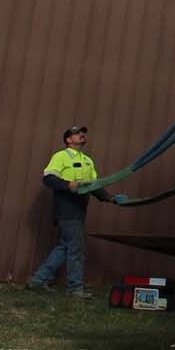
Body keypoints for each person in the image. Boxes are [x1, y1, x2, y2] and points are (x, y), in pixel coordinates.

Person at [27, 126, 126, 297]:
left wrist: (111, 198)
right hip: (66, 208)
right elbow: (48, 178)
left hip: (79, 210)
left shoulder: (88, 161)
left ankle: (39, 280)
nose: (81, 135)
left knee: (64, 248)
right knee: (76, 249)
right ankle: (75, 288)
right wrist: (68, 185)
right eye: (77, 133)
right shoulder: (61, 156)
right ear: (68, 140)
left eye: (82, 133)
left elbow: (94, 186)